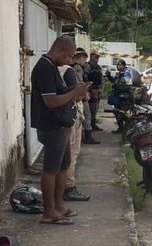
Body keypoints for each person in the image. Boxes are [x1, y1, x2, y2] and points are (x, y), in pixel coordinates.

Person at [30, 35, 90, 225]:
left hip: (60, 124)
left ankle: (59, 205)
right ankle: (48, 212)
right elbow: (51, 101)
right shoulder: (45, 68)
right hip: (51, 125)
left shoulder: (52, 67)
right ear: (60, 50)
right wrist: (74, 93)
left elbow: (60, 95)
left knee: (63, 165)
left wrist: (76, 92)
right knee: (51, 168)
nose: (70, 60)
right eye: (69, 56)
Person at [58, 48, 91, 202]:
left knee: (64, 154)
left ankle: (62, 186)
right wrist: (84, 91)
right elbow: (78, 95)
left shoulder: (54, 70)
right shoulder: (69, 71)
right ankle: (68, 187)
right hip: (71, 115)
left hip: (61, 117)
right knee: (72, 152)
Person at [73, 49, 100, 145]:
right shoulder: (78, 68)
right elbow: (80, 83)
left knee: (85, 115)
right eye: (84, 58)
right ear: (80, 58)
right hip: (81, 96)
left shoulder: (79, 67)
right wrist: (85, 94)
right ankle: (87, 137)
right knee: (86, 115)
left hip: (81, 95)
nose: (85, 60)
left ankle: (85, 135)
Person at [106, 59, 133, 133]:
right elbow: (115, 81)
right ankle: (121, 128)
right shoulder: (119, 73)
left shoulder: (127, 72)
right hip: (118, 96)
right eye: (118, 65)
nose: (118, 66)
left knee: (122, 113)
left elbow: (125, 81)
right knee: (116, 111)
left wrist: (120, 81)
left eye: (120, 65)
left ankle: (126, 129)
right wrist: (109, 76)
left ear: (124, 65)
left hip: (125, 96)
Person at [86, 52, 104, 131]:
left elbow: (101, 79)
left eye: (97, 57)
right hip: (91, 90)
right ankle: (89, 125)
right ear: (91, 57)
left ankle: (93, 123)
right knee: (90, 109)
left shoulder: (98, 67)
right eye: (95, 57)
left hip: (97, 89)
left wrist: (101, 90)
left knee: (95, 108)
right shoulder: (88, 66)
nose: (96, 59)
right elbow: (86, 78)